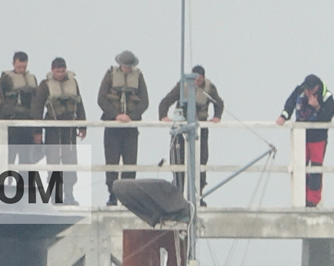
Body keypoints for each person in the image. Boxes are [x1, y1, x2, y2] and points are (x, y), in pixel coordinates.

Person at [159, 64, 224, 198]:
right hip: (181, 128)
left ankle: (198, 194)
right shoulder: (182, 86)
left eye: (199, 80)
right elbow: (165, 101)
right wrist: (163, 116)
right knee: (178, 160)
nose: (196, 82)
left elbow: (219, 103)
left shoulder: (209, 88)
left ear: (203, 78)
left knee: (201, 159)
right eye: (194, 79)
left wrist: (217, 116)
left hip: (200, 128)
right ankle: (179, 193)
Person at [97, 51, 149, 203]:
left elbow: (145, 101)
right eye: (125, 66)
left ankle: (128, 197)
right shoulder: (110, 75)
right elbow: (101, 99)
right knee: (112, 161)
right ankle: (112, 195)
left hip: (130, 128)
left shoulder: (139, 76)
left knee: (130, 162)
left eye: (130, 66)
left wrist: (131, 117)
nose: (127, 68)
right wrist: (116, 115)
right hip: (112, 127)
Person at [277, 74, 334, 208]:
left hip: (318, 138)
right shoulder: (299, 91)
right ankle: (300, 197)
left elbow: (328, 116)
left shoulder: (327, 97)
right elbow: (290, 104)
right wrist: (283, 116)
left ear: (317, 88)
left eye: (310, 89)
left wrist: (317, 107)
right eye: (306, 89)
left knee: (315, 169)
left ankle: (312, 200)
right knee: (300, 167)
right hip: (301, 137)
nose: (307, 92)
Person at [37, 57, 86, 204]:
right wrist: (37, 131)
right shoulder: (45, 85)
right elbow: (37, 108)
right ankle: (53, 196)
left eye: (63, 71)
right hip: (53, 129)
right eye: (58, 71)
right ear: (52, 70)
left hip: (69, 129)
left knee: (70, 161)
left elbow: (80, 104)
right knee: (53, 162)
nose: (60, 74)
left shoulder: (73, 83)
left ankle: (69, 194)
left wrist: (83, 125)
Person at [0, 51, 41, 165]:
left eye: (24, 67)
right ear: (13, 64)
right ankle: (6, 181)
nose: (22, 69)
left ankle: (25, 183)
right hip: (12, 123)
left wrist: (37, 129)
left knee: (27, 158)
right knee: (9, 157)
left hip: (28, 124)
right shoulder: (5, 79)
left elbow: (37, 103)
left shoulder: (32, 79)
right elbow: (0, 100)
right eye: (19, 67)